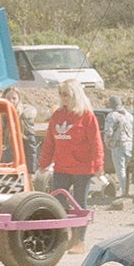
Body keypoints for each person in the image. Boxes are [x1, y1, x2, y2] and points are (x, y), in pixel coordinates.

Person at [37, 81, 105, 241]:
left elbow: (96, 143)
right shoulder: (57, 115)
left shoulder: (87, 116)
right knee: (57, 202)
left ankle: (79, 240)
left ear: (75, 94)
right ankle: (61, 238)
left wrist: (98, 165)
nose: (63, 98)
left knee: (80, 204)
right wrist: (43, 164)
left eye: (66, 94)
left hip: (83, 169)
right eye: (61, 94)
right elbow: (49, 143)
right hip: (61, 167)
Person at [101, 96, 134, 208]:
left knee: (120, 169)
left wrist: (108, 142)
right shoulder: (129, 115)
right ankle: (126, 190)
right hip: (129, 144)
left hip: (118, 145)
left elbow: (108, 132)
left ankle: (124, 192)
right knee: (126, 168)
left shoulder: (112, 116)